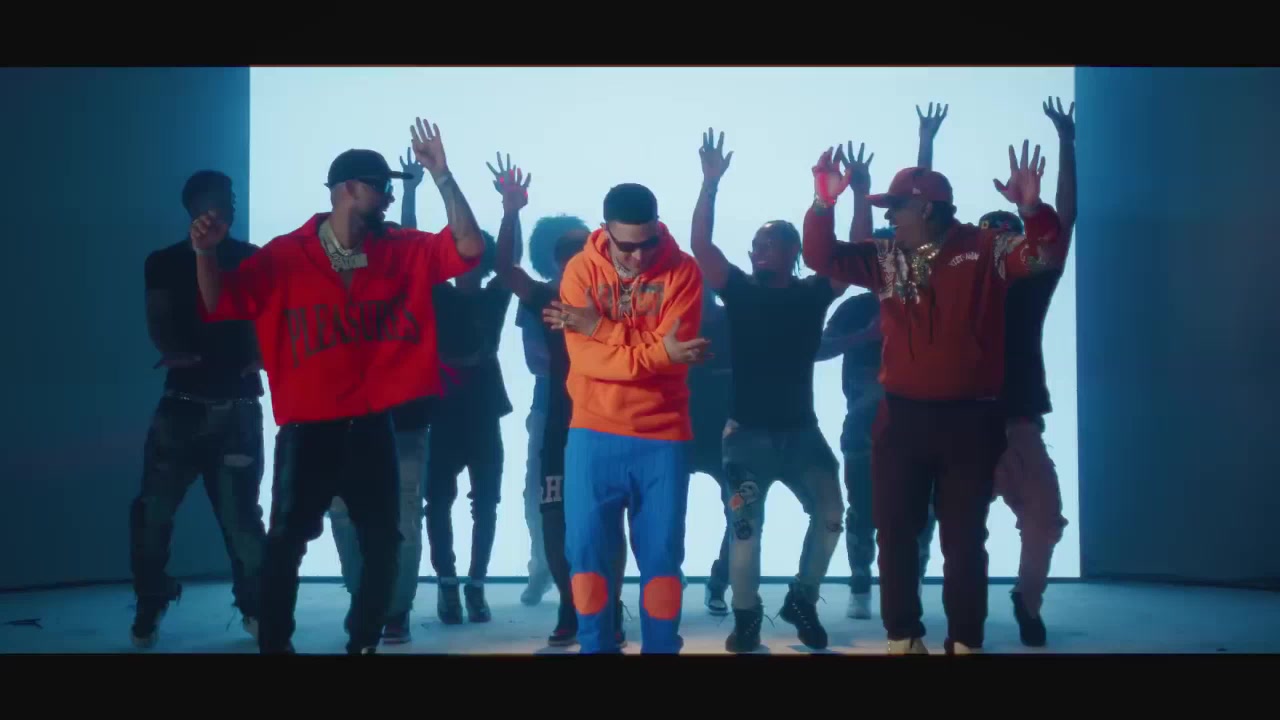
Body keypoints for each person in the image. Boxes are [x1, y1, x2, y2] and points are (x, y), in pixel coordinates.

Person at [190, 117, 486, 654]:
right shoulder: (286, 254)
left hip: (372, 424)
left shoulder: (400, 248)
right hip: (309, 428)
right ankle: (276, 645)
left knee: (383, 540)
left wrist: (443, 176)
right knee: (286, 544)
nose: (390, 197)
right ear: (348, 189)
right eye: (381, 187)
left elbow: (468, 247)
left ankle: (364, 642)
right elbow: (219, 302)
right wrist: (205, 254)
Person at [802, 139, 1066, 655]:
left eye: (896, 207)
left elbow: (1041, 253)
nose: (889, 217)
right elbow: (820, 256)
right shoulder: (885, 257)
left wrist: (1033, 210)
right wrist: (823, 203)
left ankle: (965, 640)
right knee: (895, 530)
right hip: (901, 419)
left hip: (970, 421)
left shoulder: (985, 248)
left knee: (963, 537)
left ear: (925, 208)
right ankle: (902, 636)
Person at [911, 100, 1076, 647]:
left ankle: (1026, 602)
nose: (999, 251)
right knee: (944, 528)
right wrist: (925, 145)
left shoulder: (1034, 281)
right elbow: (922, 217)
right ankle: (933, 612)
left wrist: (1067, 144)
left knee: (1045, 521)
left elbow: (1063, 222)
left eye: (1009, 240)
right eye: (991, 242)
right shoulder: (956, 278)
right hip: (962, 423)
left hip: (1018, 423)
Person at [687, 129, 846, 653]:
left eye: (767, 244)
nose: (756, 250)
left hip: (802, 435)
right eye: (754, 244)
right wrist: (710, 183)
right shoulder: (740, 291)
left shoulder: (812, 292)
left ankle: (802, 598)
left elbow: (850, 260)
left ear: (792, 252)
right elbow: (702, 246)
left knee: (831, 515)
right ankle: (747, 617)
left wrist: (843, 198)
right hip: (746, 438)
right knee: (744, 532)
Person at [544, 182, 709, 654]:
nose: (639, 256)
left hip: (663, 434)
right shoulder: (580, 271)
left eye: (648, 243)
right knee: (586, 555)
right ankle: (596, 649)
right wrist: (654, 352)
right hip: (592, 430)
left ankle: (661, 649)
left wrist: (598, 326)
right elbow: (588, 360)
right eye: (627, 247)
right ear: (605, 232)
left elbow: (673, 356)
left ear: (658, 228)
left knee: (661, 558)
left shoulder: (684, 271)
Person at [490, 160, 628, 648]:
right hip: (561, 425)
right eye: (569, 258)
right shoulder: (548, 298)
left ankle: (607, 607)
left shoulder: (621, 300)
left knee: (605, 518)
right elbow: (505, 270)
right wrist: (510, 212)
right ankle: (573, 606)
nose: (578, 265)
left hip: (608, 424)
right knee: (555, 516)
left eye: (584, 255)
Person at [131, 170, 267, 649]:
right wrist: (174, 350)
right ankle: (151, 601)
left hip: (235, 405)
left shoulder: (251, 258)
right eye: (223, 196)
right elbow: (159, 320)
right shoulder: (164, 262)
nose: (233, 202)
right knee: (153, 514)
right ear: (196, 204)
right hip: (185, 405)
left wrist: (262, 353)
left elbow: (265, 316)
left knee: (241, 521)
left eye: (232, 196)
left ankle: (255, 607)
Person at [327, 149, 432, 645]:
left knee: (403, 515)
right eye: (380, 188)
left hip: (402, 414)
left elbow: (409, 242)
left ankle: (394, 608)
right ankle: (367, 601)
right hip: (341, 412)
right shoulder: (330, 254)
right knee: (345, 514)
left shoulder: (397, 253)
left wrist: (410, 192)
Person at [424, 219, 513, 624]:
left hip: (480, 413)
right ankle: (449, 583)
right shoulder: (438, 293)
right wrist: (411, 195)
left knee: (484, 501)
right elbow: (414, 251)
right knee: (440, 501)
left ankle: (474, 584)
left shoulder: (493, 297)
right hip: (446, 412)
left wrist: (510, 213)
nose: (466, 266)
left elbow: (508, 262)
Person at [514, 214, 586, 607]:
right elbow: (534, 359)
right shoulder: (539, 296)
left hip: (590, 407)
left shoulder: (602, 294)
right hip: (549, 404)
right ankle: (543, 565)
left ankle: (576, 573)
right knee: (540, 493)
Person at [686, 281, 734, 616]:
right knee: (660, 513)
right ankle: (666, 575)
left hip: (727, 436)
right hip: (680, 432)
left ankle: (719, 582)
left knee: (740, 512)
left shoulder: (733, 321)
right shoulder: (673, 324)